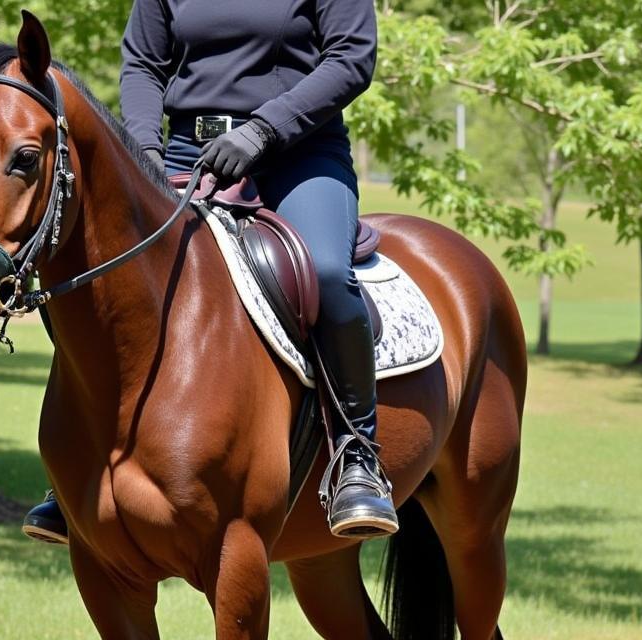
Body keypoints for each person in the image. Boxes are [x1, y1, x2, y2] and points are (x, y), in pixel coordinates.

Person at [22, 0, 398, 544]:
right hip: (184, 151)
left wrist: (262, 132)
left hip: (298, 154)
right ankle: (81, 463)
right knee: (88, 269)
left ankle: (356, 453)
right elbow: (144, 64)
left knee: (327, 270)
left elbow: (351, 58)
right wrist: (144, 146)